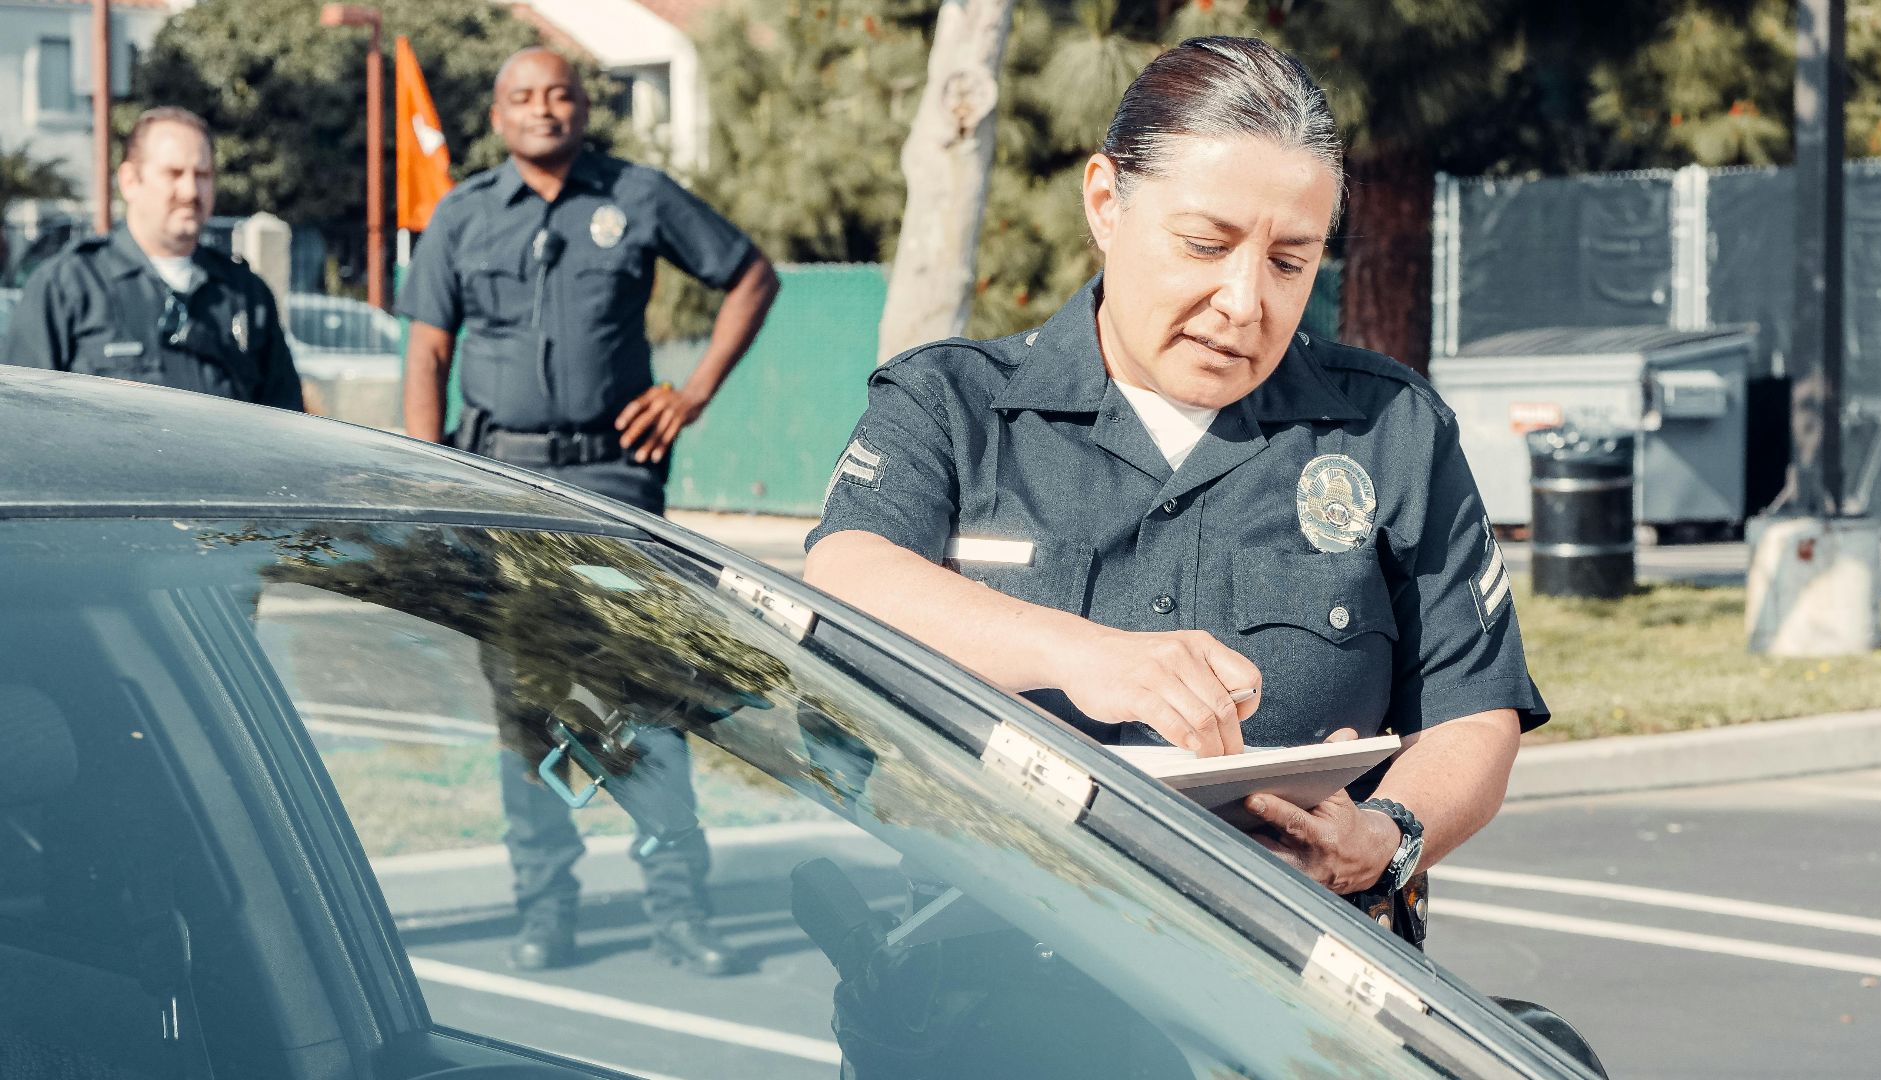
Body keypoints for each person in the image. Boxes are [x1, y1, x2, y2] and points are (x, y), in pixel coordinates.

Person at [804, 37, 1547, 946]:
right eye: (1206, 245)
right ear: (1106, 202)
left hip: (1295, 984)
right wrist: (1086, 654)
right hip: (986, 971)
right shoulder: (952, 404)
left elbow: (1473, 712)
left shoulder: (1392, 431)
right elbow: (847, 573)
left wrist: (1383, 840)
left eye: (1290, 262)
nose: (1244, 300)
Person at [398, 47, 779, 975]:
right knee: (530, 709)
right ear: (497, 116)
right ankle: (546, 909)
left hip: (613, 482)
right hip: (499, 486)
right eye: (523, 96)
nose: (544, 108)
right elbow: (426, 357)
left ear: (582, 106)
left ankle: (679, 909)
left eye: (560, 93)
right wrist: (427, 484)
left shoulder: (639, 196)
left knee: (643, 693)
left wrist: (690, 393)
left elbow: (752, 276)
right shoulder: (462, 214)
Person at [2, 107, 303, 411]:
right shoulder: (67, 288)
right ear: (131, 181)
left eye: (202, 175)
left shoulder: (246, 296)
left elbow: (285, 424)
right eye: (173, 173)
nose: (189, 191)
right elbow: (24, 421)